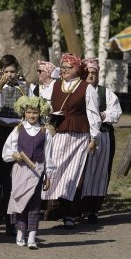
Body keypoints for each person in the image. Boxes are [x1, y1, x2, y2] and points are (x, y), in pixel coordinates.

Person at [41, 53, 101, 229]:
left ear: (78, 69)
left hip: (79, 136)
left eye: (69, 67)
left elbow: (93, 114)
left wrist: (93, 138)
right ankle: (55, 208)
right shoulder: (55, 85)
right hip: (58, 134)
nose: (65, 70)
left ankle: (70, 214)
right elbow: (48, 107)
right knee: (54, 170)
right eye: (63, 67)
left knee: (75, 174)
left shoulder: (86, 88)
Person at [2, 96, 55, 249]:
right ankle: (20, 232)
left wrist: (48, 176)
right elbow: (7, 150)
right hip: (20, 170)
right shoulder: (18, 129)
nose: (32, 115)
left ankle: (32, 236)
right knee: (20, 202)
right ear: (24, 113)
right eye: (29, 112)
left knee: (34, 203)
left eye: (35, 112)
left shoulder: (44, 132)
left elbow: (48, 155)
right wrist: (14, 155)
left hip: (36, 170)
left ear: (41, 113)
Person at [0, 54, 28, 236]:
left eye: (12, 71)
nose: (10, 74)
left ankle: (11, 222)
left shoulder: (24, 88)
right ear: (1, 72)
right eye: (6, 71)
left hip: (16, 135)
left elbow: (30, 109)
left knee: (12, 181)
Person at [80, 58, 122, 223]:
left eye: (94, 73)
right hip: (83, 136)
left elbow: (116, 112)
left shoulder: (105, 93)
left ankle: (93, 211)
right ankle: (78, 209)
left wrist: (103, 115)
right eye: (88, 73)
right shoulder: (78, 90)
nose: (91, 76)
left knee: (99, 173)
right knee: (83, 172)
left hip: (103, 136)